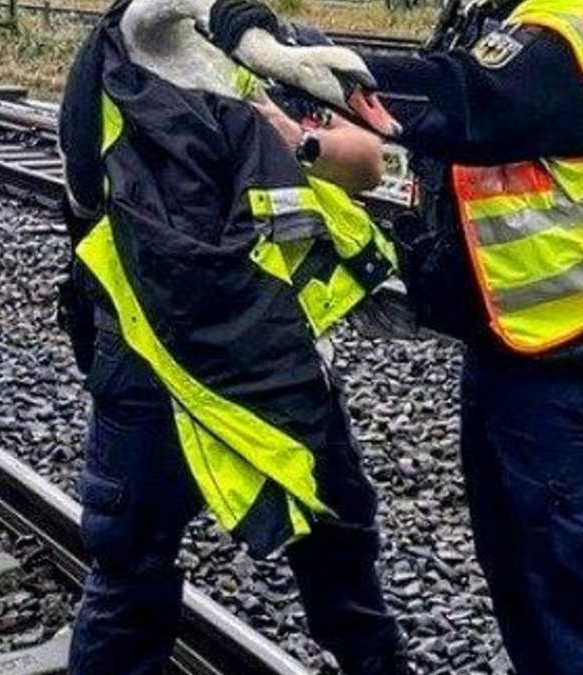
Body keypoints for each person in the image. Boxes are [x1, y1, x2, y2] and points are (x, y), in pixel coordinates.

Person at [205, 0, 583, 673]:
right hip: (513, 349)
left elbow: (458, 98)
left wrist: (283, 59)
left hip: (574, 363)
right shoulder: (492, 17)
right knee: (520, 576)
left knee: (565, 595)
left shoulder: (561, 34)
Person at [56, 1, 416, 673]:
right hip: (152, 357)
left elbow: (370, 161)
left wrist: (298, 142)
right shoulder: (127, 48)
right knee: (131, 567)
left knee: (340, 546)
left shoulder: (295, 53)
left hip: (278, 350)